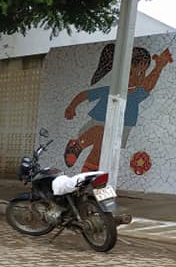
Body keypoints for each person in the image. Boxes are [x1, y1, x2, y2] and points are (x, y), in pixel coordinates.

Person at [63, 45, 172, 173]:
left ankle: (87, 172)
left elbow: (149, 85)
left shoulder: (137, 95)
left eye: (141, 73)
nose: (136, 78)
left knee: (101, 150)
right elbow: (86, 94)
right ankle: (77, 145)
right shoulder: (111, 91)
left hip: (122, 127)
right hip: (99, 122)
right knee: (101, 132)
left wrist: (159, 67)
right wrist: (72, 106)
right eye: (131, 73)